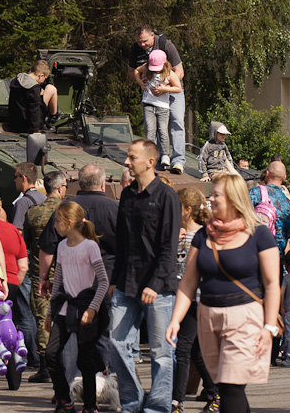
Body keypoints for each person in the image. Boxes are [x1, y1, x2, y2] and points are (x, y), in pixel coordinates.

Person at [165, 172, 280, 413]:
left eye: (216, 194)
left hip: (245, 317)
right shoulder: (203, 235)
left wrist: (269, 327)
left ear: (233, 199)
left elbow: (272, 283)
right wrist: (175, 320)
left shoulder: (259, 234)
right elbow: (188, 283)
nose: (211, 199)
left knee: (229, 387)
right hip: (208, 317)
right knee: (232, 389)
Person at [106, 139, 180, 413]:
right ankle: (132, 404)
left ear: (150, 161)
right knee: (116, 343)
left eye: (132, 157)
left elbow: (168, 247)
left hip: (157, 288)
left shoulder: (166, 197)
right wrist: (114, 280)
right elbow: (121, 243)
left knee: (161, 353)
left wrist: (155, 283)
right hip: (126, 283)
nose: (127, 162)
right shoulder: (126, 196)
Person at [37, 163, 119, 374]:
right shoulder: (114, 209)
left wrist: (44, 278)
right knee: (102, 333)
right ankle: (102, 378)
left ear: (79, 183)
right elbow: (127, 248)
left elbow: (47, 248)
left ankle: (76, 382)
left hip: (72, 286)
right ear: (103, 184)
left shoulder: (66, 209)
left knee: (71, 336)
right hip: (107, 283)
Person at [43, 202, 109, 413]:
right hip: (65, 307)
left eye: (58, 221)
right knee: (51, 354)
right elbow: (58, 282)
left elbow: (103, 281)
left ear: (69, 223)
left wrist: (92, 308)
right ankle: (65, 403)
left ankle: (90, 409)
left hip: (85, 307)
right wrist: (51, 312)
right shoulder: (61, 247)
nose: (55, 225)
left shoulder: (90, 246)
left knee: (85, 359)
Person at [170, 187, 219, 413]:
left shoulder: (201, 237)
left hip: (198, 300)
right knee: (197, 352)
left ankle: (176, 403)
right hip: (185, 299)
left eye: (178, 207)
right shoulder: (182, 236)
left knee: (183, 350)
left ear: (187, 210)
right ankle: (214, 393)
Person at [0, 192, 29, 389]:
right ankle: (14, 380)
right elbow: (23, 265)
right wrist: (13, 283)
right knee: (11, 328)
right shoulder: (13, 230)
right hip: (12, 283)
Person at [23, 170, 67, 383]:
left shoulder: (33, 212)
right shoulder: (68, 212)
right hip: (65, 271)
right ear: (60, 189)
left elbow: (29, 242)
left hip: (40, 272)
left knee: (42, 319)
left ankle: (45, 366)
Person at [128, 24, 186, 174]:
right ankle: (159, 159)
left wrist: (165, 85)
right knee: (155, 128)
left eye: (145, 41)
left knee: (176, 121)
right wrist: (141, 81)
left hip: (172, 89)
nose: (142, 44)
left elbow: (179, 72)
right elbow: (132, 72)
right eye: (139, 41)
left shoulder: (166, 45)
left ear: (152, 35)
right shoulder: (135, 49)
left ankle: (178, 161)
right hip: (152, 96)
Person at [140, 50, 182, 170]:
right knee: (150, 130)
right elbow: (137, 71)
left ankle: (165, 155)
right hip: (148, 104)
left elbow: (178, 88)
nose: (156, 70)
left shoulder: (169, 73)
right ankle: (149, 155)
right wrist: (140, 82)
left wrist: (164, 89)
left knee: (162, 130)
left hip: (163, 107)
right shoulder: (147, 69)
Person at [248, 161, 290, 254]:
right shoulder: (288, 203)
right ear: (284, 177)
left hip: (255, 252)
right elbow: (287, 235)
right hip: (277, 256)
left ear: (267, 174)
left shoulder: (256, 192)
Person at [8, 60, 60, 133]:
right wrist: (35, 130)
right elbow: (34, 111)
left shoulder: (16, 80)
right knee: (51, 88)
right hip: (28, 126)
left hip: (14, 124)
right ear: (40, 75)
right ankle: (53, 119)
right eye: (44, 78)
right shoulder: (34, 88)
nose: (44, 81)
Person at [10, 161, 47, 232]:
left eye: (15, 176)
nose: (14, 180)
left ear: (23, 178)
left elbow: (17, 232)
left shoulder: (22, 202)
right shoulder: (45, 199)